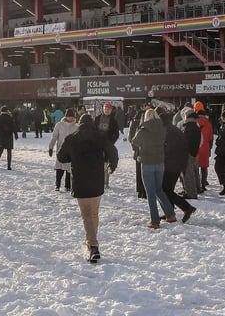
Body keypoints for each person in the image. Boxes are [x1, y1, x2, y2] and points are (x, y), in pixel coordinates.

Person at [57, 114, 118, 263]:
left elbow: (61, 157)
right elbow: (113, 151)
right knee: (94, 213)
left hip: (80, 180)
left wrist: (73, 156)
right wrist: (112, 164)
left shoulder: (72, 139)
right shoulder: (100, 137)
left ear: (79, 124)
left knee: (86, 214)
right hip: (97, 179)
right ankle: (91, 241)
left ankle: (93, 245)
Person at [131, 108, 176, 228]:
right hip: (160, 162)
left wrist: (139, 128)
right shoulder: (162, 129)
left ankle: (154, 221)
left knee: (150, 193)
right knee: (159, 190)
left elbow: (135, 142)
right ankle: (170, 214)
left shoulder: (143, 129)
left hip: (147, 163)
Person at [162, 111, 198, 224]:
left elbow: (168, 149)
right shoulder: (174, 129)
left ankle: (186, 208)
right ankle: (170, 212)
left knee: (165, 189)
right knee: (168, 189)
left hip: (171, 165)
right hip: (179, 163)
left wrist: (161, 158)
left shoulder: (167, 131)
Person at [49, 109, 78, 192]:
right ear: (65, 116)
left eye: (71, 117)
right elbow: (54, 136)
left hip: (71, 151)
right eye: (68, 116)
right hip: (61, 150)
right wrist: (50, 147)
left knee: (69, 169)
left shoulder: (76, 127)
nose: (70, 118)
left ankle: (68, 186)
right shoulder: (59, 125)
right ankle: (57, 185)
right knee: (59, 168)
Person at [195, 103, 214, 193]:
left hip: (196, 147)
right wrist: (210, 147)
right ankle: (203, 184)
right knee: (204, 167)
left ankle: (197, 184)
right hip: (205, 147)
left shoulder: (195, 122)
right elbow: (211, 138)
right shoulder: (209, 123)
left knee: (195, 167)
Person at [0, 105, 16, 169]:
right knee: (9, 151)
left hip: (2, 136)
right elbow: (13, 126)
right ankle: (9, 166)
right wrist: (15, 134)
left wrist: (0, 132)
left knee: (0, 150)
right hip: (9, 136)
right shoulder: (10, 117)